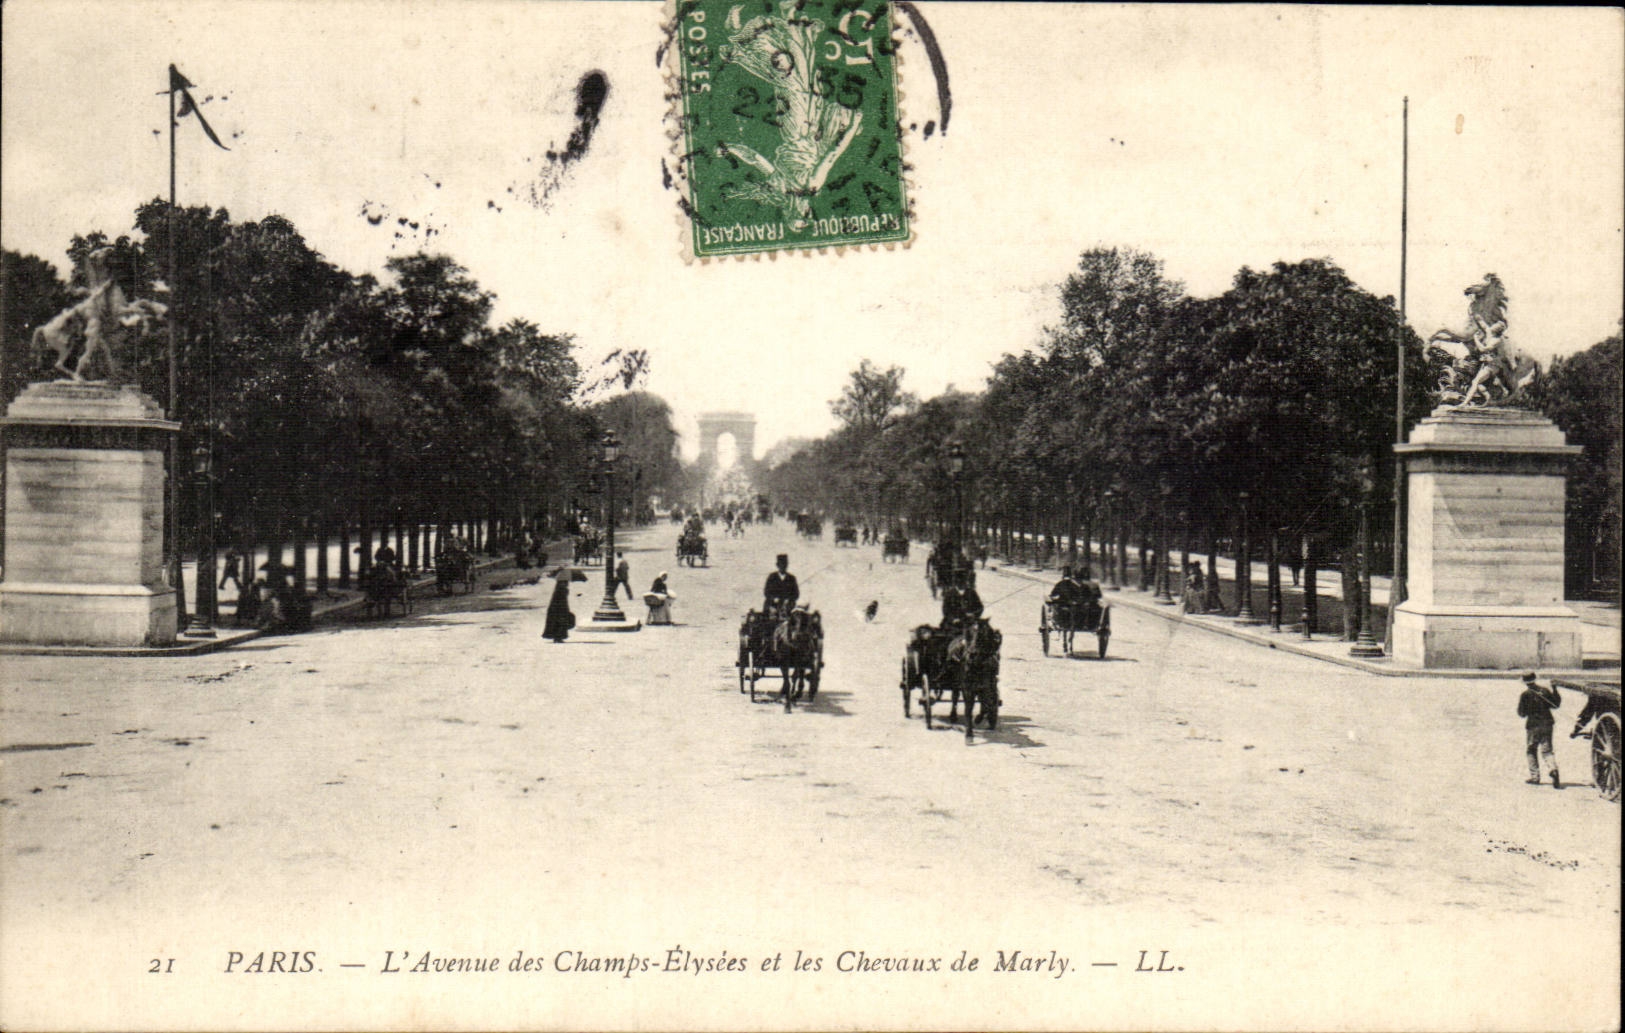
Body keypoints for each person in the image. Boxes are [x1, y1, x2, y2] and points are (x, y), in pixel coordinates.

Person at [1516, 671, 1562, 788]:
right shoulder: (1545, 691)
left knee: (1531, 750)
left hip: (1533, 725)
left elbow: (1521, 713)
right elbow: (1556, 705)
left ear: (1525, 682)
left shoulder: (1525, 695)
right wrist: (1555, 690)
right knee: (1547, 751)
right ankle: (1553, 769)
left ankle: (1535, 777)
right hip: (1547, 724)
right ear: (1535, 679)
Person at [543, 567, 575, 642]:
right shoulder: (562, 587)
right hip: (560, 608)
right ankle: (558, 637)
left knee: (557, 621)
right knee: (560, 621)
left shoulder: (559, 586)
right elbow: (562, 598)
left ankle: (557, 636)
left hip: (556, 608)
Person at [1048, 565, 1084, 630]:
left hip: (1062, 603)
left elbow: (1054, 593)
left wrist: (1052, 596)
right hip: (1071, 603)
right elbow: (1079, 594)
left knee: (1055, 608)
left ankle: (1057, 621)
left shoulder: (1060, 584)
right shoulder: (1074, 585)